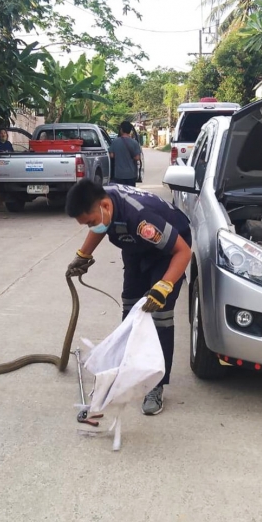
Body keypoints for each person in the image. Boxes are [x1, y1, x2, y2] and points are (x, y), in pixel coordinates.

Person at [65, 179, 192, 415]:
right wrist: (83, 255)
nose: (91, 227)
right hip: (135, 247)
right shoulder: (104, 204)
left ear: (105, 206)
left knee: (159, 315)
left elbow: (183, 251)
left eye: (90, 222)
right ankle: (128, 369)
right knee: (131, 309)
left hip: (168, 252)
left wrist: (164, 286)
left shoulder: (142, 219)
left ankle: (155, 385)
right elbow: (100, 225)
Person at [109, 121, 142, 187]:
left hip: (119, 175)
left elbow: (111, 155)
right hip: (131, 175)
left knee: (120, 192)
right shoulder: (134, 143)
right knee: (130, 192)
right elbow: (137, 157)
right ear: (130, 131)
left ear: (121, 130)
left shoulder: (115, 142)